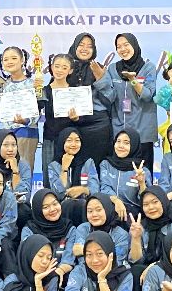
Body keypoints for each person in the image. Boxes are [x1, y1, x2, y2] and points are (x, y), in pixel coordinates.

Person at [110, 33, 158, 174]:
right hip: (120, 131)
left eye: (126, 45)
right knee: (121, 173)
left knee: (143, 173)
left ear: (134, 45)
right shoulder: (113, 69)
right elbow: (110, 95)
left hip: (143, 131)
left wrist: (133, 80)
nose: (123, 49)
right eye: (119, 46)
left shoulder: (148, 67)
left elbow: (147, 96)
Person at [66, 33, 114, 166]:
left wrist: (100, 78)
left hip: (98, 124)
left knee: (97, 166)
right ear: (75, 47)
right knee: (75, 167)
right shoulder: (66, 67)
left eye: (89, 46)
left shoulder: (98, 67)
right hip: (72, 123)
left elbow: (111, 97)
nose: (85, 49)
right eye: (81, 45)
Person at [0, 45, 42, 172]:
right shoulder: (3, 84)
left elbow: (38, 110)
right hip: (7, 133)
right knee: (7, 171)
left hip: (26, 132)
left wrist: (26, 120)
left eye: (14, 58)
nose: (9, 62)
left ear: (22, 60)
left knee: (23, 170)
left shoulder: (33, 84)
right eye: (5, 59)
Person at [19, 189, 80, 277]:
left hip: (63, 275)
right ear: (38, 210)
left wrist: (58, 272)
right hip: (35, 276)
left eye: (55, 204)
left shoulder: (69, 228)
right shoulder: (29, 230)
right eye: (45, 207)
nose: (52, 209)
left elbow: (68, 259)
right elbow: (28, 259)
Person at [39, 53, 79, 181]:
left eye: (64, 67)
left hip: (70, 140)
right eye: (56, 66)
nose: (59, 70)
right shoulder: (44, 90)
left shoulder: (76, 91)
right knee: (49, 175)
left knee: (69, 176)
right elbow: (36, 110)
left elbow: (83, 118)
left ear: (70, 70)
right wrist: (35, 93)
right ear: (51, 68)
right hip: (50, 138)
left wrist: (76, 118)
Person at [48, 127, 100, 216]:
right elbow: (58, 194)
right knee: (68, 205)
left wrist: (83, 190)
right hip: (63, 207)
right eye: (69, 140)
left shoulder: (88, 162)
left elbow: (95, 189)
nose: (73, 144)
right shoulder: (54, 165)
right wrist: (64, 169)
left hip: (87, 205)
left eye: (77, 140)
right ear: (62, 142)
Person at [99, 128, 147, 215]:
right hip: (110, 208)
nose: (121, 146)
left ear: (134, 145)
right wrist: (116, 201)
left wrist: (142, 183)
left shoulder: (141, 170)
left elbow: (146, 201)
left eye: (126, 143)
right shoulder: (106, 164)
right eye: (118, 141)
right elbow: (105, 187)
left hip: (133, 213)